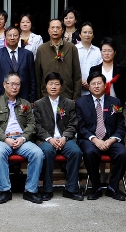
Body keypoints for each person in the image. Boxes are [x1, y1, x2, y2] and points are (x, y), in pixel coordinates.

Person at [0, 72, 44, 204]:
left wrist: (23, 138)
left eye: (17, 84)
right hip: (3, 139)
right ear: (4, 84)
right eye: (12, 84)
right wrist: (5, 138)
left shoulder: (25, 103)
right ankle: (5, 190)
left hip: (21, 139)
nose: (15, 87)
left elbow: (32, 124)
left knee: (38, 153)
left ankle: (31, 190)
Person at [76, 72, 126, 201]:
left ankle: (113, 188)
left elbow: (121, 126)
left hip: (110, 139)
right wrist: (95, 140)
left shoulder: (115, 102)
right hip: (90, 139)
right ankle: (96, 188)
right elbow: (80, 127)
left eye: (99, 83)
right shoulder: (80, 103)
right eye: (93, 84)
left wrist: (111, 140)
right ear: (89, 86)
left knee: (123, 154)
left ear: (105, 85)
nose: (96, 86)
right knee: (90, 152)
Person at [33, 72, 84, 202]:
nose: (53, 87)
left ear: (61, 86)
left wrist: (64, 137)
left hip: (65, 139)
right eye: (51, 84)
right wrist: (49, 139)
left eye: (56, 84)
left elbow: (73, 124)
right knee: (47, 151)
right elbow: (36, 126)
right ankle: (47, 189)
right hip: (46, 140)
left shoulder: (69, 103)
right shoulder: (39, 104)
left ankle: (71, 189)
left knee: (76, 152)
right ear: (46, 86)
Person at [35, 19, 82, 100]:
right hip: (46, 96)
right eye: (52, 28)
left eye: (58, 28)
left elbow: (77, 75)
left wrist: (76, 97)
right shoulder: (41, 49)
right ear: (48, 30)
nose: (55, 30)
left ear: (62, 30)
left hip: (67, 95)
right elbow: (38, 76)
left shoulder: (71, 48)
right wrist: (39, 98)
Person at [0, 26, 37, 102]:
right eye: (9, 35)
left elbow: (32, 79)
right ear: (5, 38)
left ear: (19, 37)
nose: (12, 38)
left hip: (24, 97)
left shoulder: (28, 54)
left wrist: (32, 99)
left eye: (15, 35)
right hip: (2, 98)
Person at [89, 37, 126, 108]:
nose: (106, 53)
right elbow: (91, 88)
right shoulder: (94, 70)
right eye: (104, 51)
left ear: (114, 52)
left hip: (116, 104)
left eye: (109, 51)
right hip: (98, 104)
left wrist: (121, 104)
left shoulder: (121, 70)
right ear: (101, 52)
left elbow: (125, 89)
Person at [76, 22, 102, 96]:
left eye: (90, 33)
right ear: (80, 35)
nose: (87, 35)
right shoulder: (74, 49)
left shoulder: (98, 51)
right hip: (77, 89)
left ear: (93, 35)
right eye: (85, 32)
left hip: (94, 89)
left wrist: (90, 83)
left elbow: (100, 69)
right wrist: (81, 81)